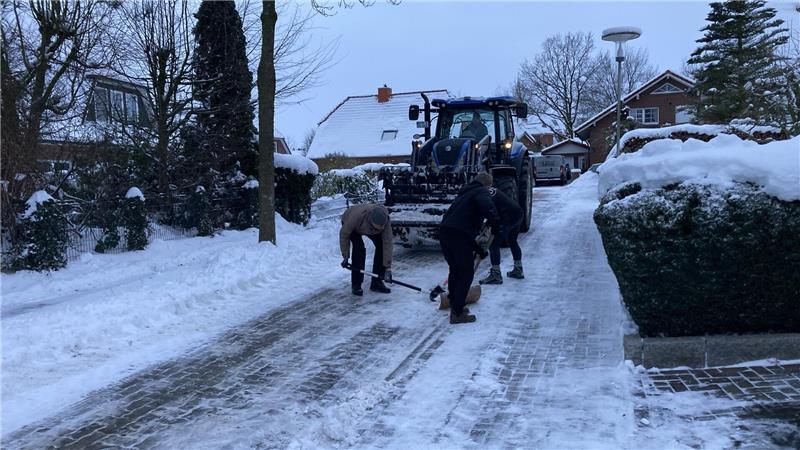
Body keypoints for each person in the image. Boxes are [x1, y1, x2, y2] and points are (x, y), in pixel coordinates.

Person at [439, 172, 500, 324]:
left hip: (445, 232)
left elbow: (460, 226)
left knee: (455, 270)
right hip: (458, 235)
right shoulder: (480, 191)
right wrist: (496, 222)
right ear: (487, 185)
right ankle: (457, 313)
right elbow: (488, 206)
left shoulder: (464, 193)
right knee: (466, 273)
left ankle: (456, 305)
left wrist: (478, 249)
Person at [340, 204, 393, 296]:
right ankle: (356, 284)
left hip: (366, 224)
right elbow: (344, 235)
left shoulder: (385, 220)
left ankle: (377, 282)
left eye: (378, 229)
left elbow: (387, 243)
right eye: (374, 228)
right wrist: (345, 256)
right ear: (370, 222)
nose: (375, 231)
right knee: (359, 249)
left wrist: (387, 268)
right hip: (353, 224)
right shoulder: (354, 218)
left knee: (381, 246)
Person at [479, 187, 524, 285]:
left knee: (493, 243)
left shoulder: (483, 195)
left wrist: (492, 224)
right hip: (518, 212)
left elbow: (491, 211)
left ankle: (496, 275)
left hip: (507, 216)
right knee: (512, 240)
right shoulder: (491, 191)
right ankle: (518, 269)